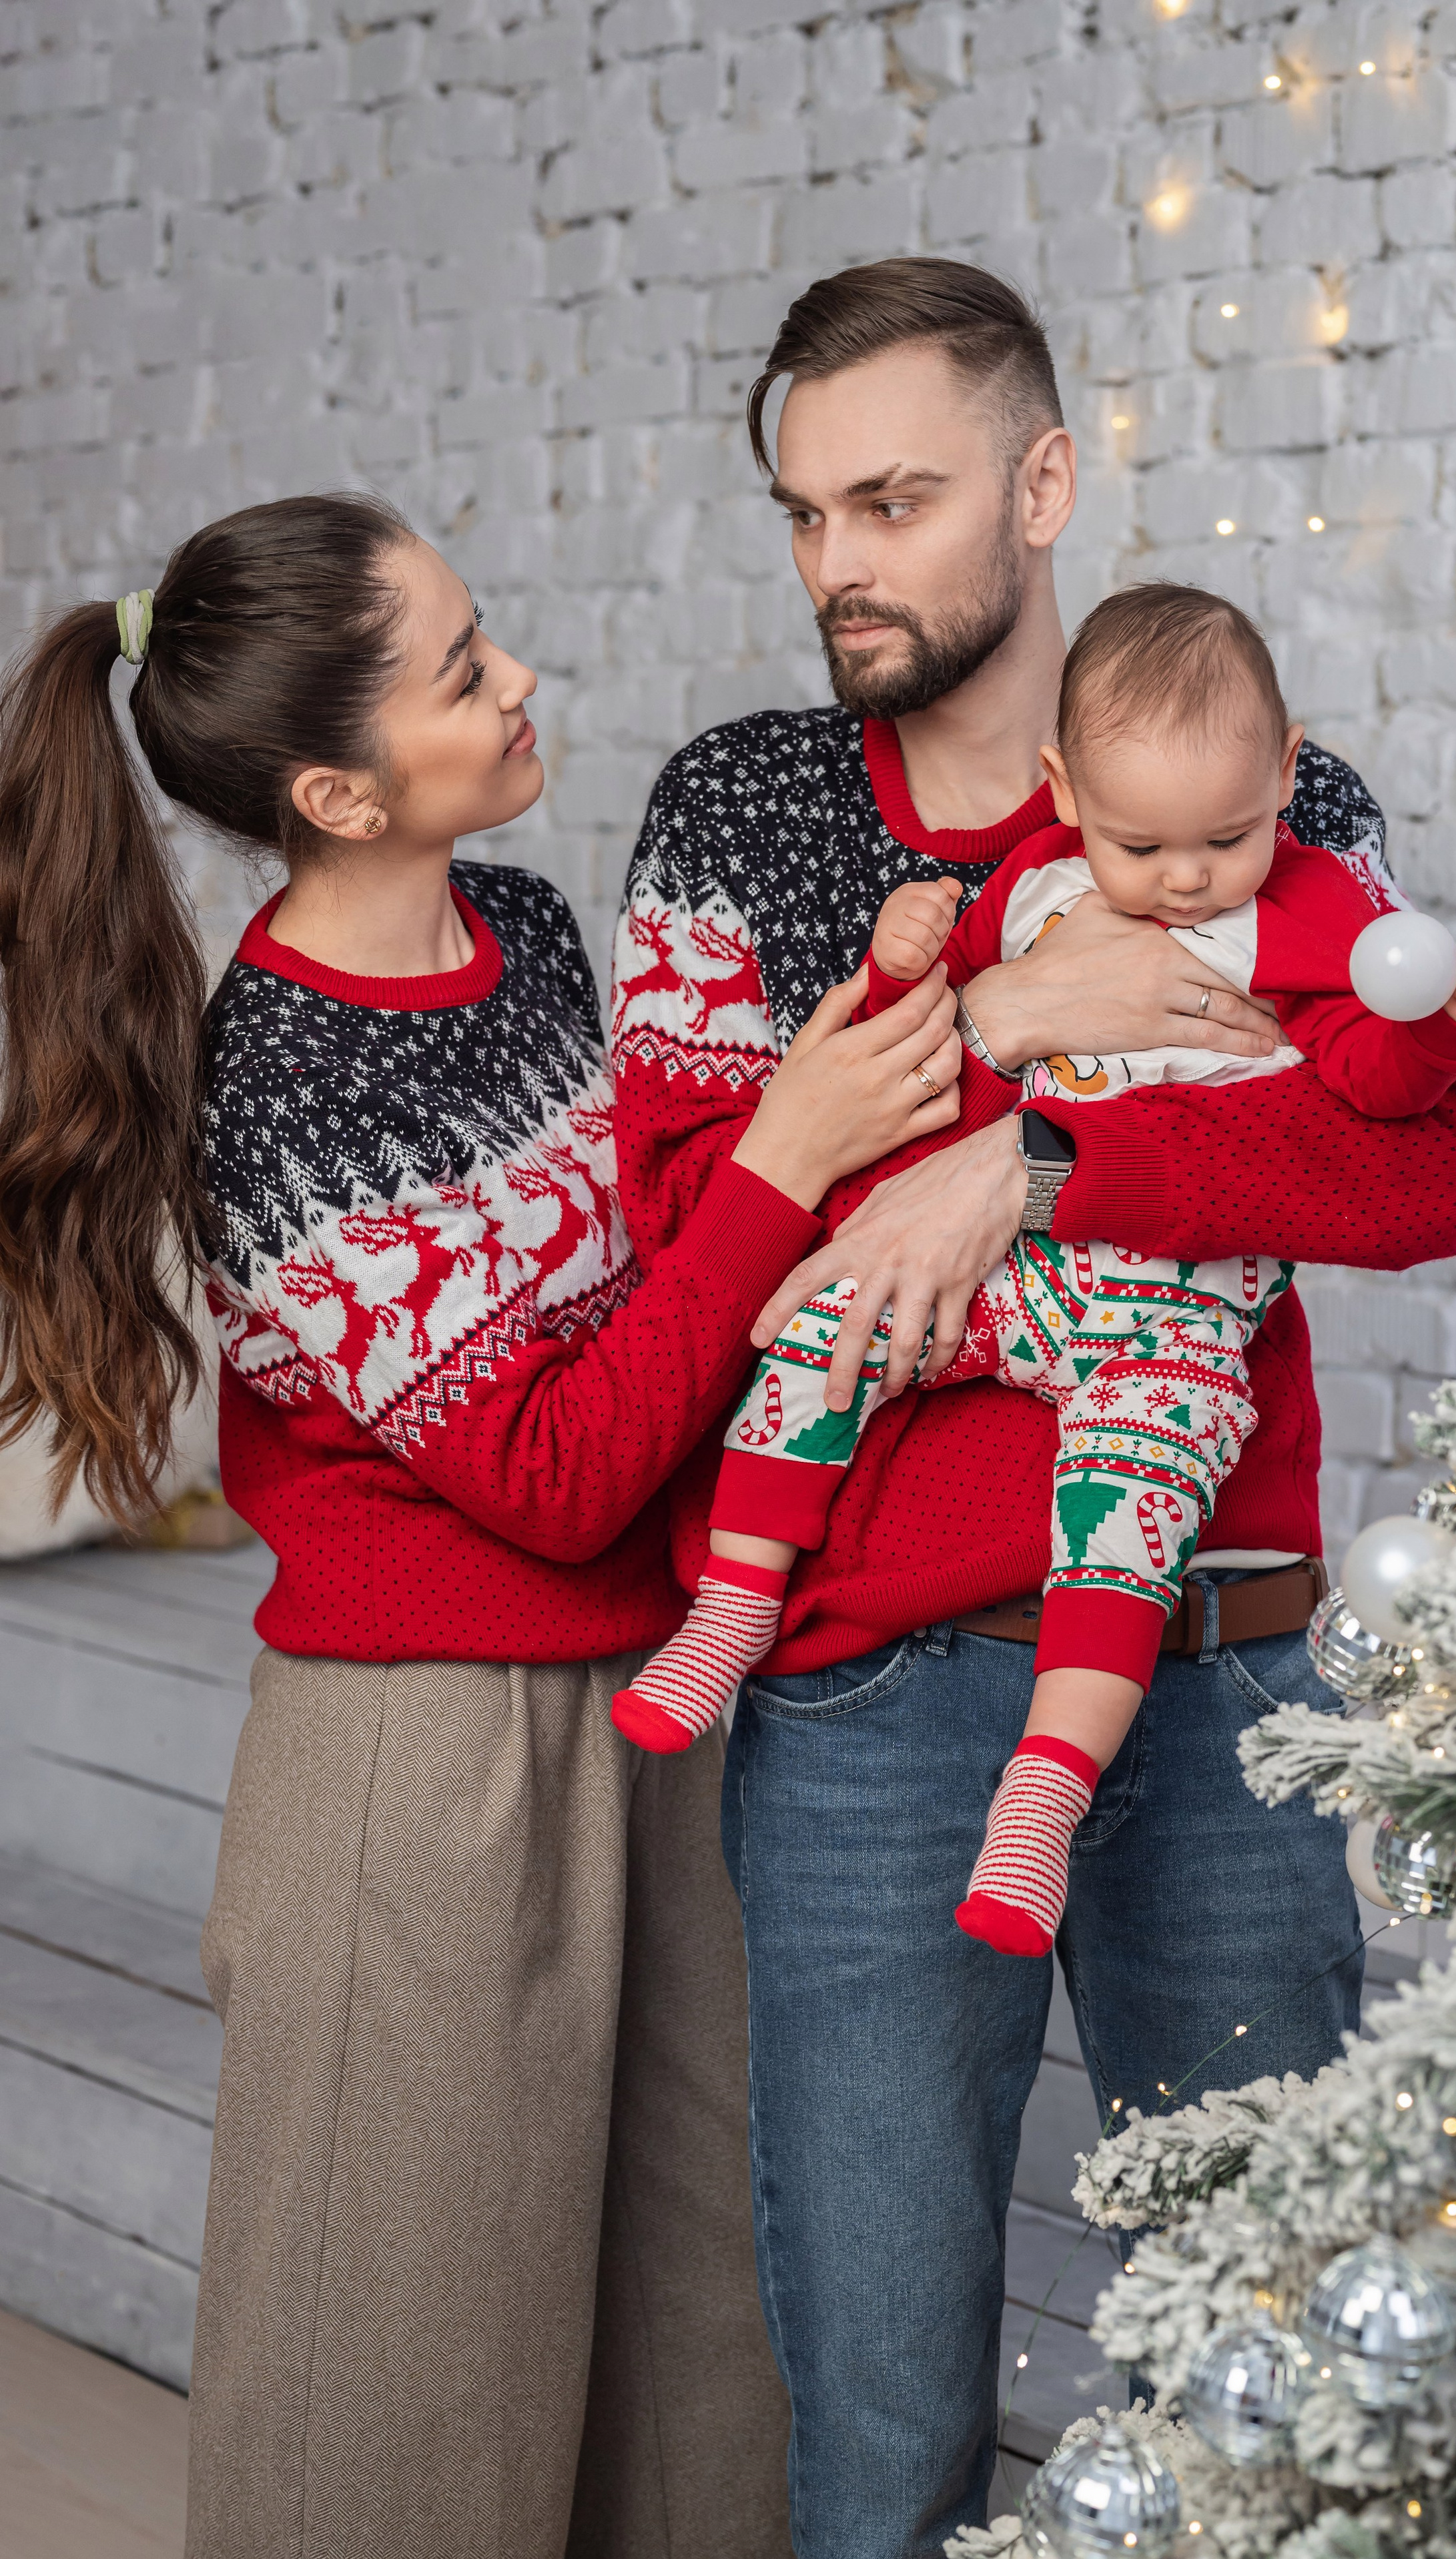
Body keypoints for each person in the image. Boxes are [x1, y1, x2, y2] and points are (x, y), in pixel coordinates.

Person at [610, 258, 1456, 2557]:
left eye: (894, 500)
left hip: (1218, 1662)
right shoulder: (742, 815)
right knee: (886, 2408)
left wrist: (1035, 1159)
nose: (838, 561)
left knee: (1276, 2369)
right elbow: (703, 1236)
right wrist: (1009, 1021)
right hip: (873, 1704)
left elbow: (1424, 1168)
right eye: (806, 512)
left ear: (1042, 484)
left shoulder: (1275, 792)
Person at [0, 493, 964, 2559]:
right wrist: (788, 1158)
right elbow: (555, 1466)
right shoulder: (277, 1089)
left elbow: (652, 1303)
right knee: (401, 2416)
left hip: (653, 1707)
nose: (520, 678)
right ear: (340, 793)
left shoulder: (527, 934)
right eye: (463, 671)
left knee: (699, 2372)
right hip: (419, 1764)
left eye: (487, 632)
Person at [611, 583, 1456, 1962]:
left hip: (1172, 1320)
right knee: (830, 1324)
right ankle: (731, 1606)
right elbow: (847, 1107)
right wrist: (933, 978)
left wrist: (1442, 1027)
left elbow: (1396, 1125)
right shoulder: (1026, 880)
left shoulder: (1311, 908)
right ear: (1064, 790)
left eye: (1223, 841)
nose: (1185, 879)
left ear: (1285, 775)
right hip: (1014, 1305)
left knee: (1130, 1501)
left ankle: (1044, 1793)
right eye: (1140, 845)